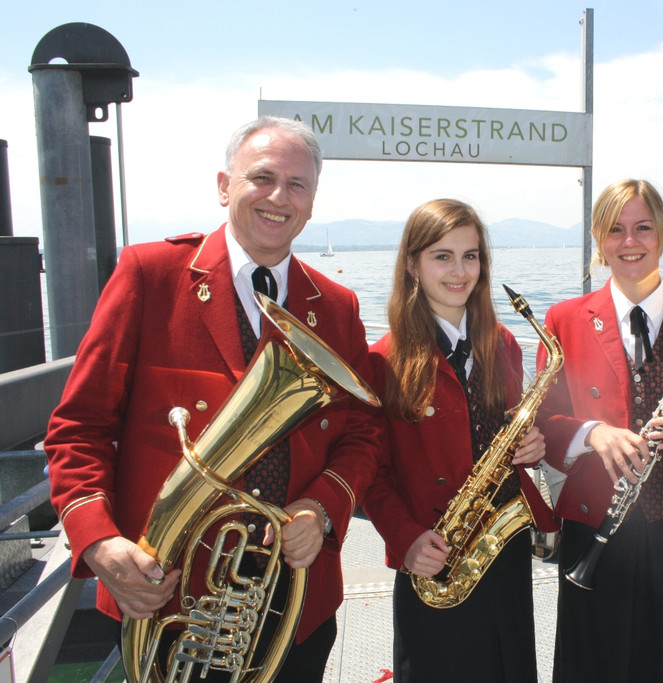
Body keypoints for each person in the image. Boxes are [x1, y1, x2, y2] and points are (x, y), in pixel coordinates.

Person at [45, 116, 381, 679]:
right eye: (262, 177)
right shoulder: (150, 274)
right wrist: (98, 542)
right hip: (167, 597)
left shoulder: (337, 304)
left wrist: (321, 508)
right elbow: (79, 428)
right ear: (225, 186)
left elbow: (362, 433)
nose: (279, 197)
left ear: (312, 203)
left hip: (293, 600)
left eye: (297, 185)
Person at [536, 179, 663, 682]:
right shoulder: (563, 320)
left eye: (643, 228)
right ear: (597, 238)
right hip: (594, 525)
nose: (629, 242)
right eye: (615, 230)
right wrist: (592, 433)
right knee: (591, 667)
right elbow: (543, 421)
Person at [360, 198, 557, 682]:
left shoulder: (502, 343)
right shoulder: (381, 361)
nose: (459, 271)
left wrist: (533, 447)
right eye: (442, 256)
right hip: (434, 556)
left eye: (471, 256)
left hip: (503, 549)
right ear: (412, 264)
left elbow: (512, 432)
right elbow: (370, 473)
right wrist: (405, 540)